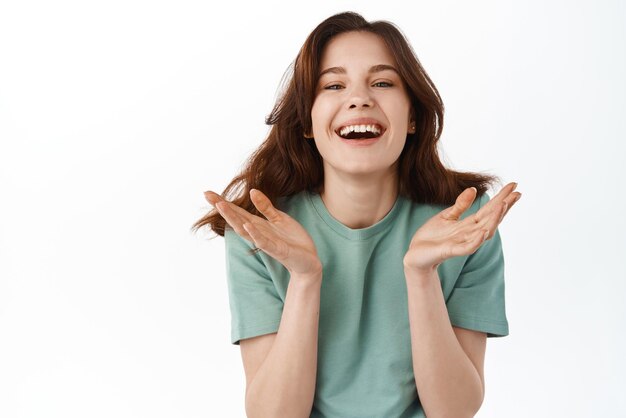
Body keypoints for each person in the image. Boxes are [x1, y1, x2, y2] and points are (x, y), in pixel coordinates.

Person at [192, 11, 522, 418]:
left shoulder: (465, 224)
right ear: (308, 122)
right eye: (333, 85)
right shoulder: (261, 232)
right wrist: (304, 278)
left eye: (382, 82)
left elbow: (453, 411)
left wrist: (422, 275)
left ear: (414, 116)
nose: (359, 98)